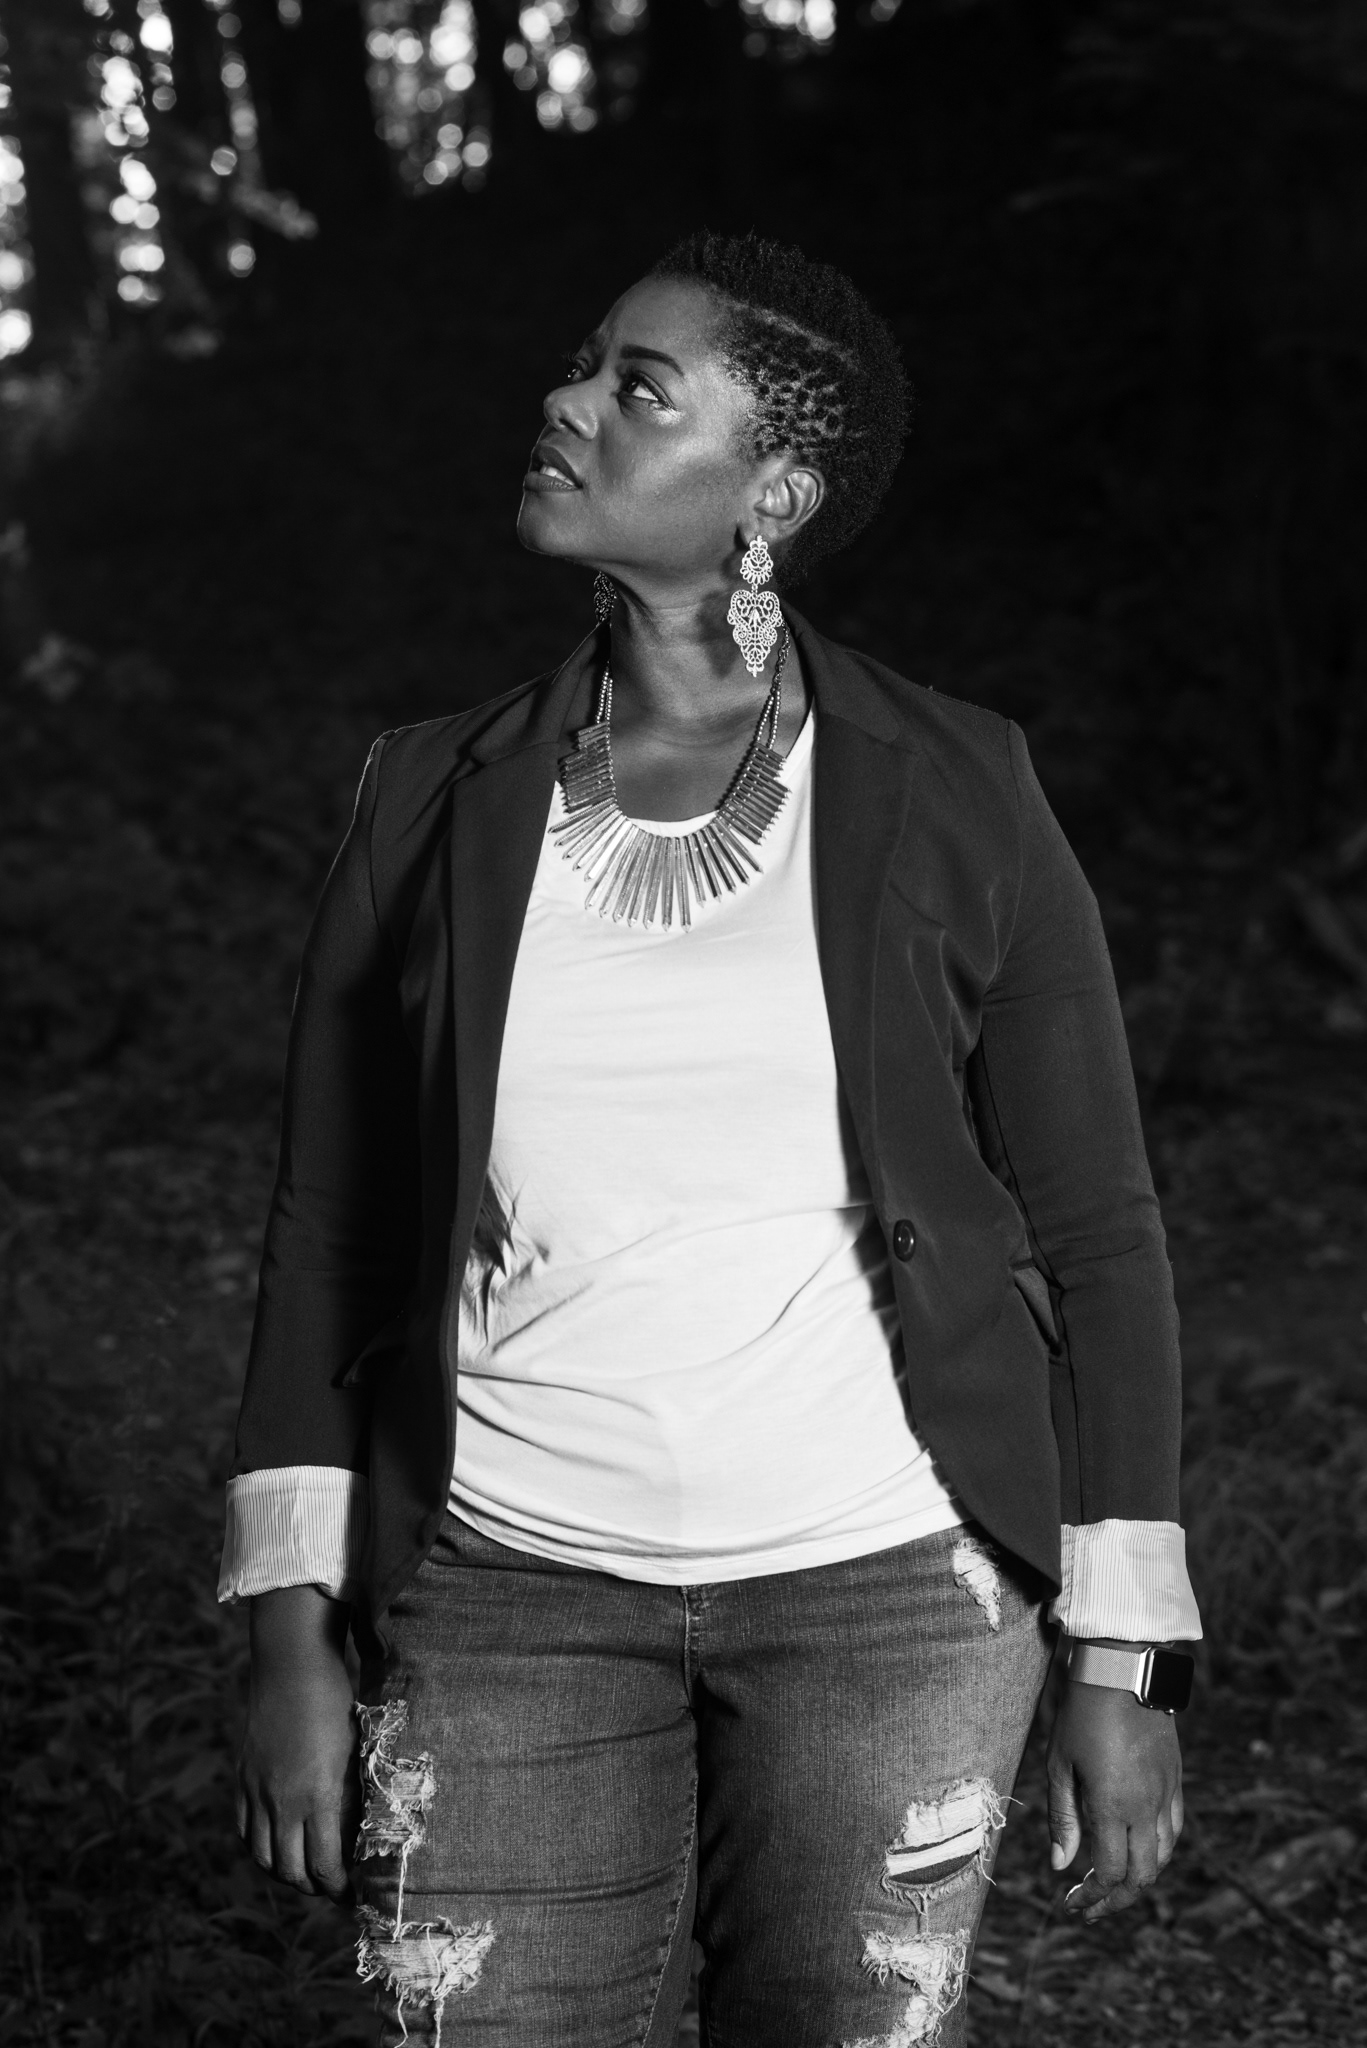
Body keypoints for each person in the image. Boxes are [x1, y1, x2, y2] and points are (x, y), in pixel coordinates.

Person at [222, 231, 1202, 2048]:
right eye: (583, 362)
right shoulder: (426, 795)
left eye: (639, 388)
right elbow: (329, 1223)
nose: (567, 400)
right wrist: (289, 1626)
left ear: (775, 491)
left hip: (892, 1596)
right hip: (501, 1588)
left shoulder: (957, 781)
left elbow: (1099, 1231)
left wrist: (1123, 1659)